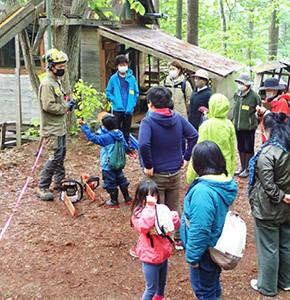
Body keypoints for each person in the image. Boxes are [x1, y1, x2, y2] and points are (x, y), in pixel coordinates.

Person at [247, 112, 290, 297]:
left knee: (268, 246)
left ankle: (267, 286)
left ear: (267, 131)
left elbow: (267, 184)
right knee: (286, 243)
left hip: (268, 208)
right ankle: (285, 282)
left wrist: (283, 196)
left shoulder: (267, 152)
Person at [139, 86, 198, 248]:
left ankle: (156, 242)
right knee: (174, 205)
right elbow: (193, 136)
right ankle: (179, 239)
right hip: (175, 172)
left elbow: (143, 144)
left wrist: (148, 165)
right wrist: (186, 157)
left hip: (155, 174)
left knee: (153, 207)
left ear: (150, 103)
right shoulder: (177, 118)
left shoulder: (148, 121)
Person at [180, 141, 238, 300]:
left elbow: (200, 229)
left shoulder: (203, 192)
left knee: (204, 291)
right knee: (212, 283)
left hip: (205, 252)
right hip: (217, 245)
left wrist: (193, 257)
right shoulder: (223, 181)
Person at [131, 179, 180, 300]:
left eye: (154, 195)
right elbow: (143, 226)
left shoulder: (160, 209)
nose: (153, 199)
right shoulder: (138, 213)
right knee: (151, 289)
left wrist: (171, 216)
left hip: (163, 254)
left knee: (161, 286)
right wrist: (150, 208)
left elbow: (174, 223)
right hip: (150, 257)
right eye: (149, 196)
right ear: (139, 196)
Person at [36, 48, 75, 201]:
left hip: (60, 126)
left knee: (61, 155)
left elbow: (58, 101)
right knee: (54, 156)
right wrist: (66, 107)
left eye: (63, 66)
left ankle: (58, 181)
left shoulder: (55, 81)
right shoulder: (47, 84)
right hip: (51, 128)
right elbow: (48, 106)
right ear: (51, 66)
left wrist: (67, 103)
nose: (62, 68)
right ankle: (42, 186)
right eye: (59, 66)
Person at [78, 113, 132, 208]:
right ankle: (127, 198)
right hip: (118, 163)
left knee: (110, 182)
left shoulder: (106, 138)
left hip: (108, 165)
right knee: (121, 179)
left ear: (105, 126)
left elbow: (93, 138)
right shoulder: (119, 134)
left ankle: (114, 201)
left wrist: (84, 126)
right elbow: (126, 146)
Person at [186, 93, 235, 184]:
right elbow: (232, 151)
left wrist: (190, 176)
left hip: (207, 169)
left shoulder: (206, 125)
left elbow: (198, 150)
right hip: (225, 168)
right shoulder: (229, 125)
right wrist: (230, 173)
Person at [105, 54, 139, 148]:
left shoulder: (132, 78)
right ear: (117, 66)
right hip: (117, 108)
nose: (123, 67)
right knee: (116, 129)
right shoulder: (113, 78)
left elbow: (136, 92)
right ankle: (117, 147)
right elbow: (108, 92)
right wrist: (114, 100)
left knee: (126, 130)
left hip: (128, 109)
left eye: (124, 64)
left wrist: (133, 104)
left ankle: (126, 147)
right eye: (120, 65)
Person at [232, 74, 262, 178]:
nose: (240, 85)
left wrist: (254, 123)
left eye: (242, 83)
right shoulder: (236, 94)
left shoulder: (254, 96)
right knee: (240, 147)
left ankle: (248, 169)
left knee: (248, 147)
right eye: (239, 83)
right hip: (238, 126)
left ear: (248, 85)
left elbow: (259, 112)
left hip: (249, 128)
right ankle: (242, 167)